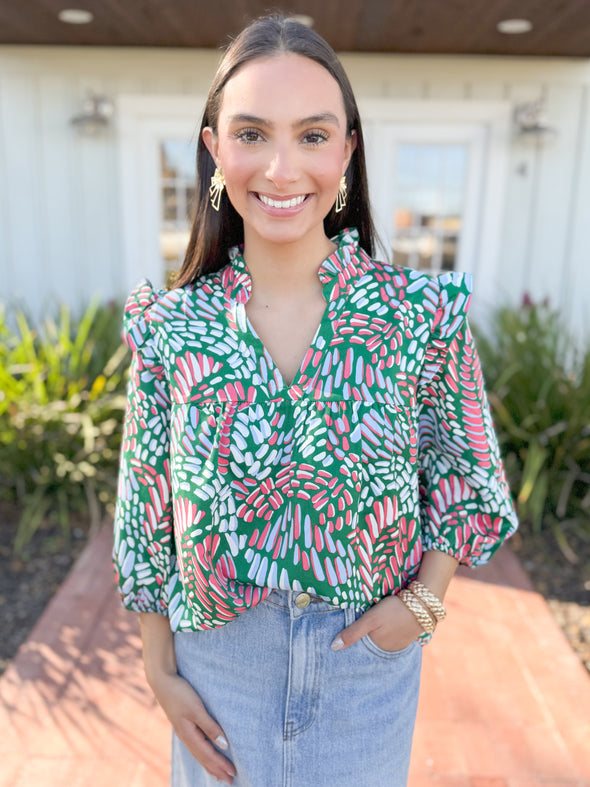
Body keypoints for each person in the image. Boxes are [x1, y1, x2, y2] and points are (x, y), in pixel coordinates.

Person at [113, 14, 518, 787]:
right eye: (253, 133)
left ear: (347, 152)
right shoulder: (173, 327)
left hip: (363, 667)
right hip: (217, 670)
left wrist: (423, 606)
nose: (280, 167)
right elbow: (145, 510)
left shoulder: (417, 315)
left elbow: (467, 474)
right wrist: (158, 668)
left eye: (312, 135)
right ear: (214, 151)